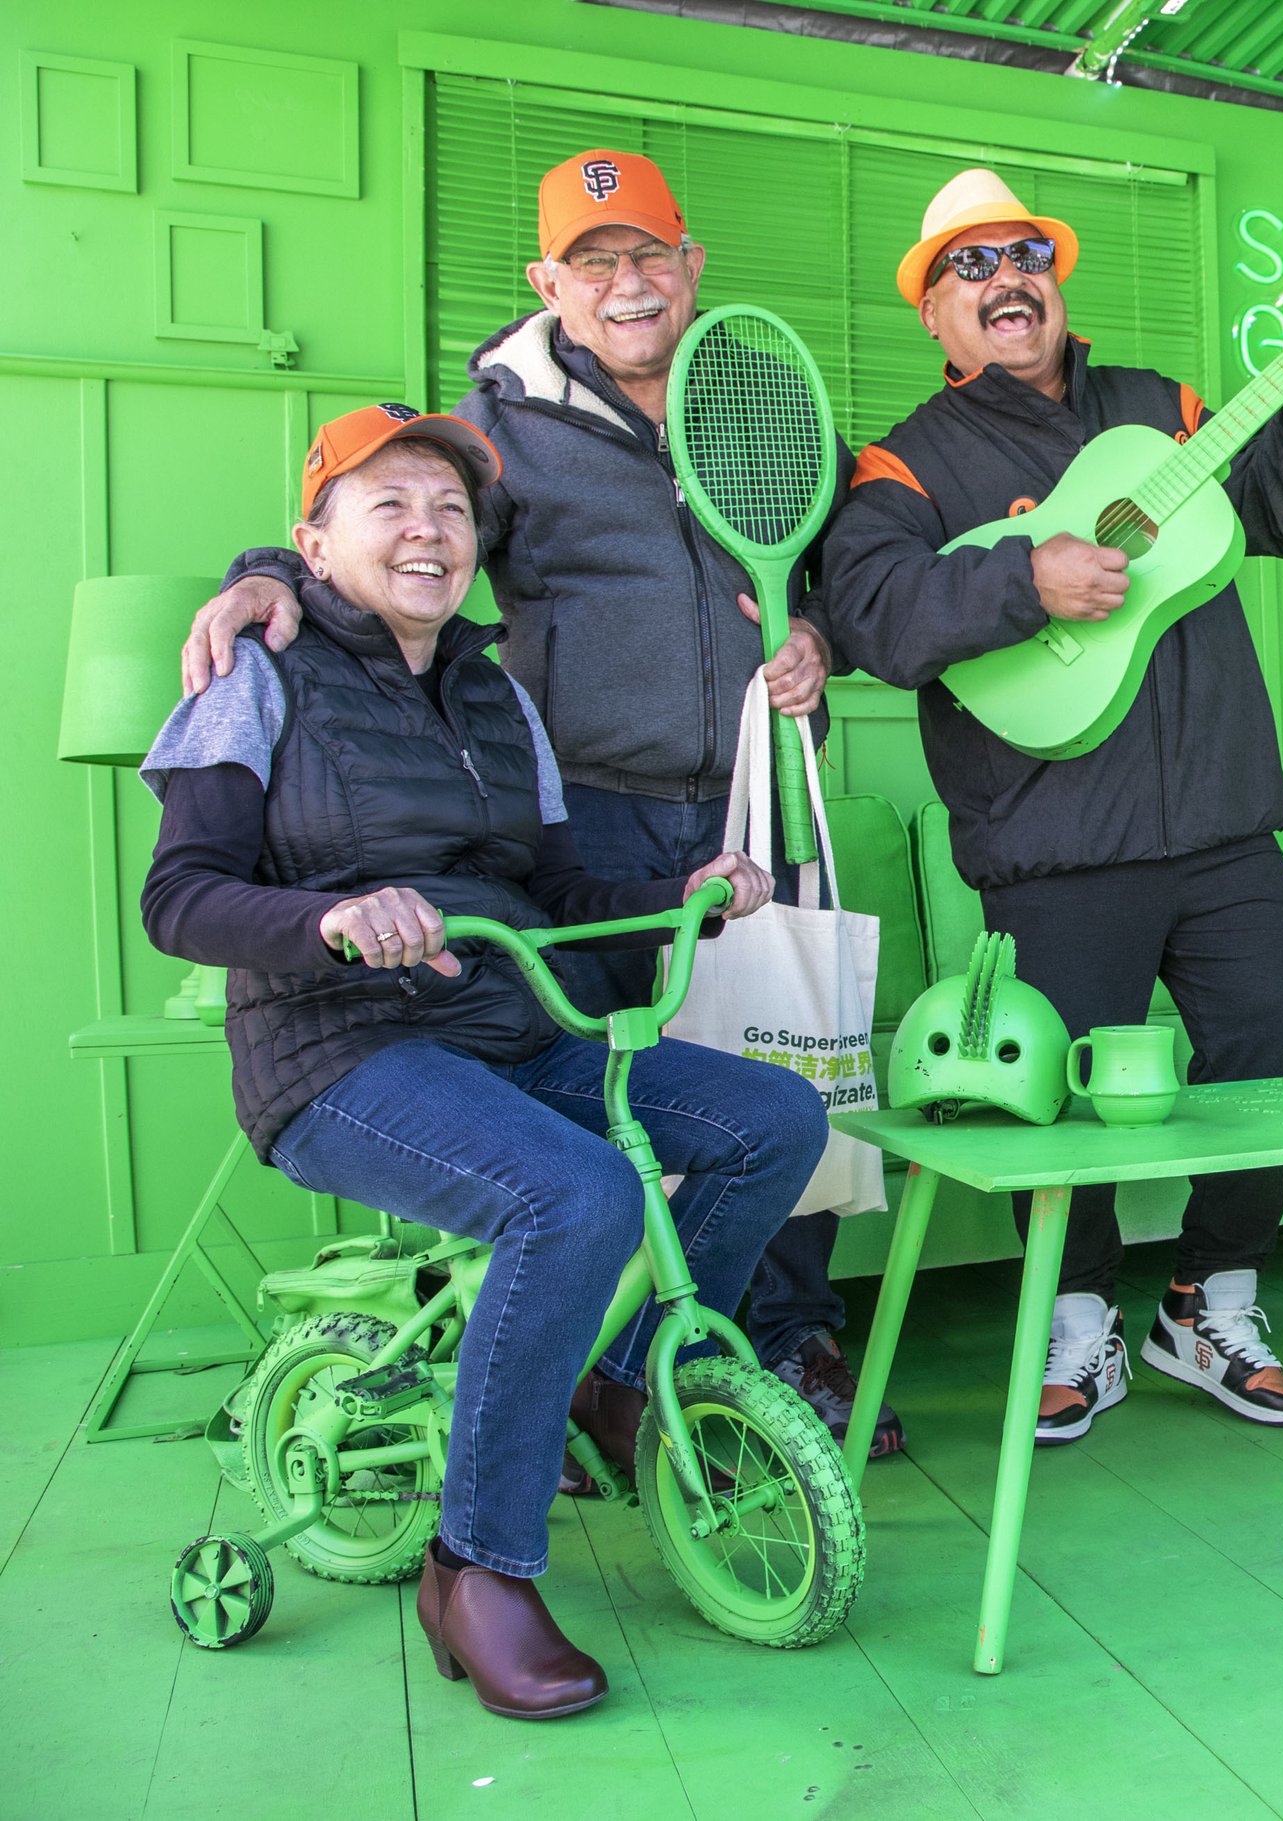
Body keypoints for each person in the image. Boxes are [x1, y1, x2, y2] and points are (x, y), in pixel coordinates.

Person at [176, 149, 900, 1459]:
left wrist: (822, 646)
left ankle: (771, 1346)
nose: (628, 285)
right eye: (595, 263)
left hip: (745, 808)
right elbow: (389, 528)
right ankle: (584, 1365)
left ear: (691, 268)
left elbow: (841, 563)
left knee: (780, 1070)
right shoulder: (501, 421)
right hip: (593, 819)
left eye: (650, 256)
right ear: (550, 285)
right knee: (609, 1115)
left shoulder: (754, 402)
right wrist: (257, 573)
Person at [141, 404, 827, 1719]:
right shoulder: (256, 672)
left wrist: (689, 884)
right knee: (579, 1194)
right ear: (312, 540)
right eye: (387, 503)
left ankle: (624, 1390)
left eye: (451, 510)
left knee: (772, 1122)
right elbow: (181, 897)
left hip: (510, 1030)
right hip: (340, 1048)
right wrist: (329, 920)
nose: (426, 530)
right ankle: (476, 1567)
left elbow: (557, 884)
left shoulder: (494, 689)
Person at [816, 169, 1283, 1445]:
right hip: (1055, 847)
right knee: (1053, 1099)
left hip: (1228, 823)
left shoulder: (1164, 408)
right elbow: (873, 616)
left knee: (1261, 1079)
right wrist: (1024, 578)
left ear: (1053, 282)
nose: (1005, 279)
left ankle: (1211, 1303)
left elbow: (1276, 510)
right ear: (934, 314)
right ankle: (1076, 1328)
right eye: (969, 266)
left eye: (1024, 256)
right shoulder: (907, 460)